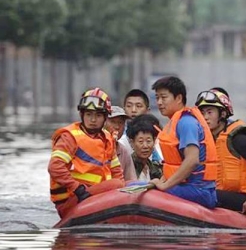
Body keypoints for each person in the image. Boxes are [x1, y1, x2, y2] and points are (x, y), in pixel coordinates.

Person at [195, 87, 246, 218]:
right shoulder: (205, 140)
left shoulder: (238, 139)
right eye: (202, 113)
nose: (205, 117)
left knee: (202, 194)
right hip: (219, 193)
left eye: (210, 112)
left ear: (223, 114)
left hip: (243, 198)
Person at [48, 87, 124, 218]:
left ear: (105, 117)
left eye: (98, 115)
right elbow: (54, 167)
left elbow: (116, 171)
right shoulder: (70, 137)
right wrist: (77, 188)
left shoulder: (107, 137)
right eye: (89, 114)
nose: (93, 120)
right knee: (117, 185)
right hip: (73, 199)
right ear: (82, 115)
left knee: (128, 184)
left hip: (95, 195)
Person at [149, 76, 217, 209]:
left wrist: (164, 186)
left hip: (199, 190)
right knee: (138, 186)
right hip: (189, 187)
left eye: (163, 97)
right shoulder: (175, 121)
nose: (159, 102)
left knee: (140, 189)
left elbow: (192, 160)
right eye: (157, 98)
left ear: (179, 98)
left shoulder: (186, 122)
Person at [119, 89, 163, 163]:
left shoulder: (158, 135)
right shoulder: (119, 137)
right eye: (129, 106)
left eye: (138, 106)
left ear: (147, 111)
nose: (133, 110)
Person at [105, 106, 137, 182]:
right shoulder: (93, 145)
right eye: (113, 122)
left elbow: (131, 181)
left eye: (121, 123)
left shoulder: (123, 151)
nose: (117, 127)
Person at [127, 114, 163, 181]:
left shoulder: (156, 168)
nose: (145, 146)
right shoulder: (127, 166)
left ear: (154, 141)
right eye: (140, 141)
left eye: (148, 141)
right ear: (132, 143)